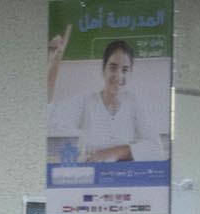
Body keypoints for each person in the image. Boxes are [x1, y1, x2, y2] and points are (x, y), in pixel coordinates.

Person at [46, 33, 165, 163]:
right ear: (104, 70)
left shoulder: (134, 103)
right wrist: (54, 61)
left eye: (125, 70)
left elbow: (157, 149)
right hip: (92, 176)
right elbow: (49, 114)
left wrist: (115, 152)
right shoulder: (86, 101)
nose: (118, 76)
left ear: (130, 73)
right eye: (113, 68)